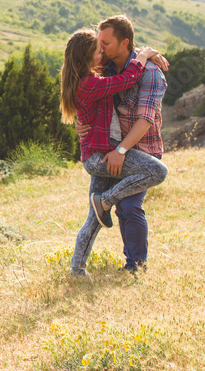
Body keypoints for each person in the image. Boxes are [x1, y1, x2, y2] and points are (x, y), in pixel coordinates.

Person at [59, 28, 169, 278]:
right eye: (99, 49)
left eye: (105, 45)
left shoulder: (91, 74)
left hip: (101, 152)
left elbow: (127, 55)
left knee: (94, 219)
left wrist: (144, 53)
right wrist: (142, 58)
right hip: (101, 155)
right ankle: (106, 200)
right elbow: (125, 80)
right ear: (88, 57)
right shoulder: (91, 81)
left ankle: (77, 269)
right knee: (158, 172)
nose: (103, 52)